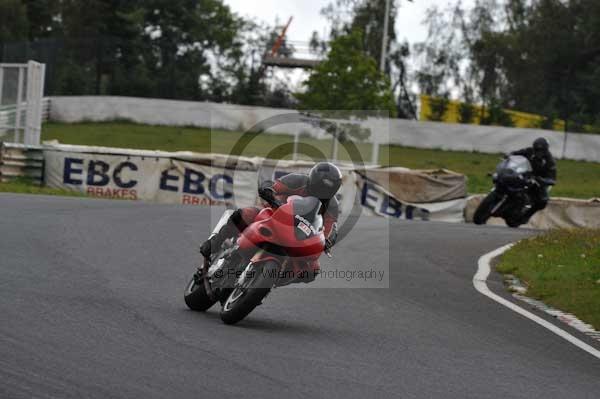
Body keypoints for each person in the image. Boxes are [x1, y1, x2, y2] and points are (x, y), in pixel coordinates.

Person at [199, 162, 342, 279]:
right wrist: (269, 191)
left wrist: (326, 241)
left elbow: (329, 228)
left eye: (325, 191)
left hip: (300, 234)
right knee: (244, 214)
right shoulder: (298, 181)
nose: (320, 193)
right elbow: (274, 187)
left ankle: (272, 281)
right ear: (312, 180)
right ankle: (214, 243)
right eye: (319, 187)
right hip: (273, 214)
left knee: (312, 269)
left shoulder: (332, 206)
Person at [510, 137, 557, 217]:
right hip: (525, 173)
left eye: (541, 150)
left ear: (546, 150)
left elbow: (552, 179)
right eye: (537, 150)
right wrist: (509, 155)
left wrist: (543, 180)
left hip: (539, 181)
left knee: (542, 200)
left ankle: (526, 215)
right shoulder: (529, 151)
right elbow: (516, 153)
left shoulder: (550, 161)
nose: (538, 152)